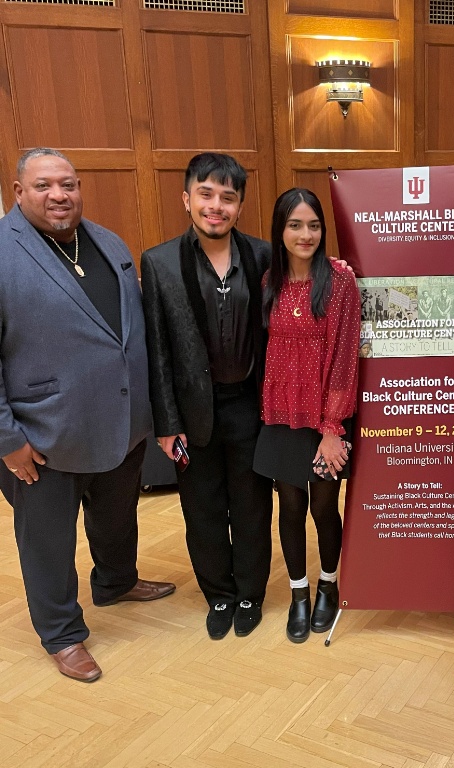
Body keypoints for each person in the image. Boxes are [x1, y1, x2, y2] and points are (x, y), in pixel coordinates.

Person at [0, 148, 175, 682]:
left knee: (118, 515)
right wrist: (7, 439)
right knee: (48, 539)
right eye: (45, 185)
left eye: (69, 184)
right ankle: (61, 632)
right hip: (43, 434)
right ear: (18, 191)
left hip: (123, 425)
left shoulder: (107, 241)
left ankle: (116, 581)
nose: (59, 195)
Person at [141, 153, 273, 641]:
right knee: (202, 507)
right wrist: (166, 423)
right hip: (190, 413)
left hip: (250, 405)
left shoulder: (263, 256)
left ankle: (249, 594)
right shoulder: (158, 262)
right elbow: (158, 350)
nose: (216, 206)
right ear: (187, 198)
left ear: (239, 206)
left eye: (228, 197)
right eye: (206, 194)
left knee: (253, 504)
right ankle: (218, 592)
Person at [253, 188, 360, 643]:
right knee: (290, 506)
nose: (305, 234)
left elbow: (344, 357)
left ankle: (328, 587)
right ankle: (299, 593)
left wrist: (333, 428)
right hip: (281, 415)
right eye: (295, 225)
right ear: (280, 230)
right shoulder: (269, 282)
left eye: (313, 225)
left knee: (322, 506)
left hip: (325, 420)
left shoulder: (338, 281)